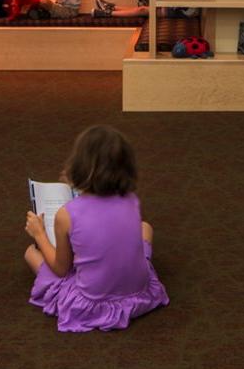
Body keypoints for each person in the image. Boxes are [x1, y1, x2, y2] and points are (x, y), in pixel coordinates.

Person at [24, 125, 169, 332]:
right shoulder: (131, 200)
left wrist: (39, 234)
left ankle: (39, 250)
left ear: (79, 166)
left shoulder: (66, 213)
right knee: (144, 227)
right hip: (139, 292)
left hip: (92, 303)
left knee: (32, 254)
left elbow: (61, 269)